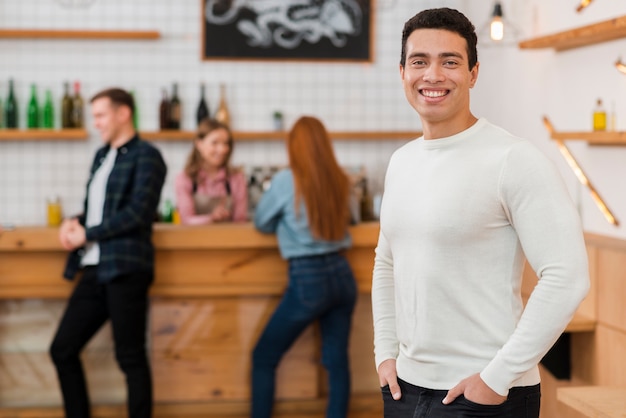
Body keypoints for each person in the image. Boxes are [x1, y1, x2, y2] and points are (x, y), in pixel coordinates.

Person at [372, 8, 590, 418]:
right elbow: (386, 263)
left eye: (449, 62)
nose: (432, 75)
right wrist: (386, 354)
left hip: (484, 396)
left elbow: (568, 277)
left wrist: (496, 378)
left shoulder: (514, 159)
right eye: (419, 61)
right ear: (402, 71)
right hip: (405, 388)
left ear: (473, 73)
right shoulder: (401, 161)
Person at [49, 88, 167, 418]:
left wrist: (88, 232)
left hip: (126, 267)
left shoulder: (148, 156)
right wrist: (75, 223)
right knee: (62, 349)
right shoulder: (102, 156)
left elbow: (138, 215)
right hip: (94, 267)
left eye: (100, 115)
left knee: (129, 357)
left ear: (123, 113)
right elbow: (97, 211)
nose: (96, 123)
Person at [252, 116, 357, 418]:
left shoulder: (287, 180)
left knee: (264, 356)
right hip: (342, 274)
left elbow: (261, 221)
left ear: (293, 147)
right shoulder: (340, 177)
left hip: (308, 278)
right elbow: (352, 220)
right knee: (336, 361)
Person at [174, 118, 247, 225]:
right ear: (199, 144)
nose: (222, 149)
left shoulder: (236, 178)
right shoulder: (185, 178)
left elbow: (240, 221)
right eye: (215, 143)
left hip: (229, 241)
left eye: (226, 143)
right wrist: (211, 218)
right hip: (194, 240)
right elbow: (186, 220)